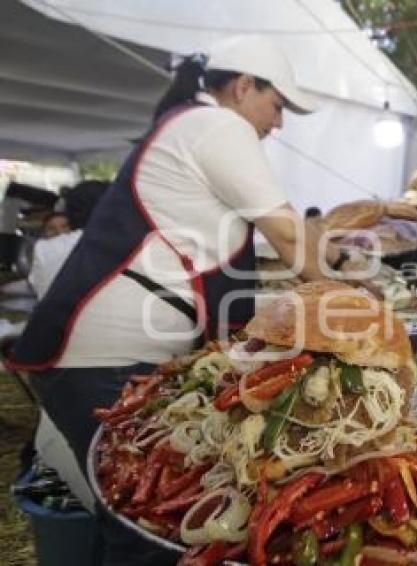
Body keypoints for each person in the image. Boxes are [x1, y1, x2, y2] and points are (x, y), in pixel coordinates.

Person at [9, 35, 363, 565]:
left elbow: (266, 240)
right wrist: (352, 309)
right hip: (103, 357)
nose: (279, 122)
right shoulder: (217, 126)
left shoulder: (190, 128)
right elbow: (289, 238)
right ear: (244, 87)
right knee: (145, 525)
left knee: (136, 513)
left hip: (118, 356)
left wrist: (328, 258)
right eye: (277, 105)